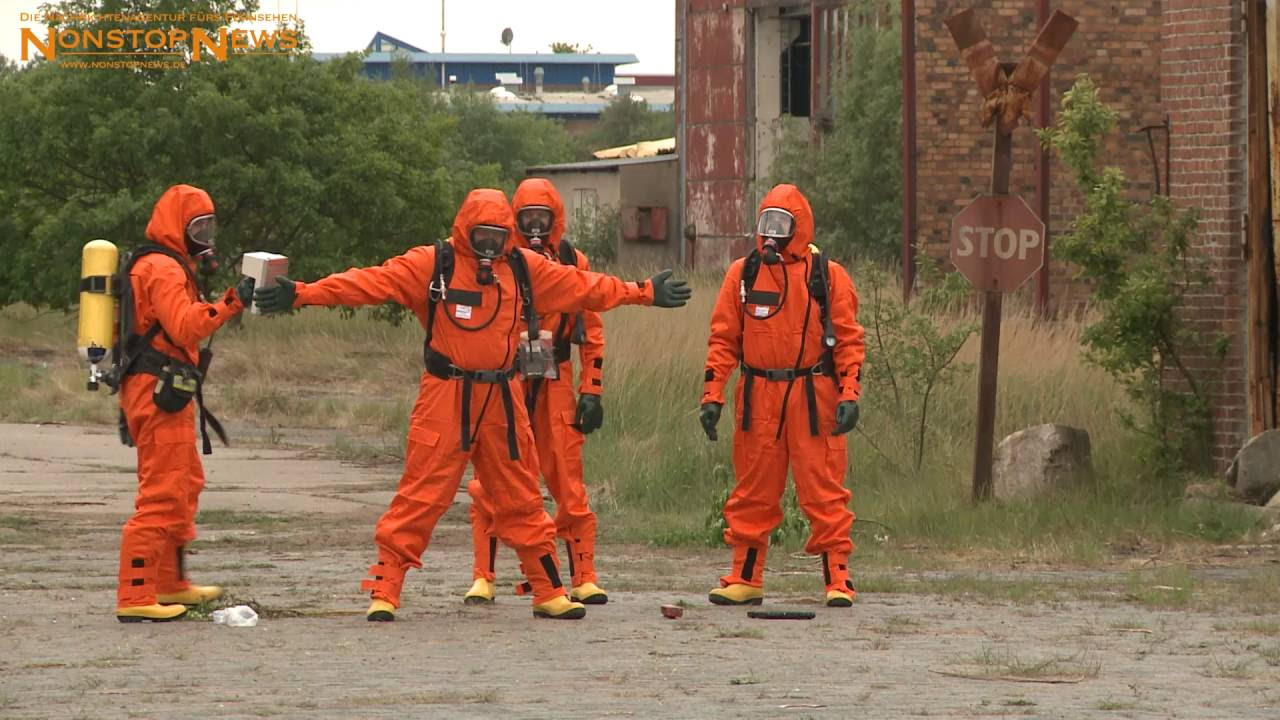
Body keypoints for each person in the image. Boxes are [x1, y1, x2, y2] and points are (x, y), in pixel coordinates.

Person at [253, 188, 690, 621]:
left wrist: (644, 291)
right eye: (482, 236)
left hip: (502, 396)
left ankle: (548, 590)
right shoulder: (434, 264)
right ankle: (385, 590)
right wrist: (302, 293)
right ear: (466, 231)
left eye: (497, 237)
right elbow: (369, 282)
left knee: (520, 494)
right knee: (421, 494)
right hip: (446, 394)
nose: (489, 247)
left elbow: (585, 288)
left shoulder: (523, 268)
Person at [698, 184, 865, 608]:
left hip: (813, 394)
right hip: (758, 395)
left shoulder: (827, 275)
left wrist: (849, 393)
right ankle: (746, 577)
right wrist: (712, 393)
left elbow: (848, 340)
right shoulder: (744, 273)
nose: (773, 234)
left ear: (800, 227)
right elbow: (722, 339)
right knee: (753, 487)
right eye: (767, 224)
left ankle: (838, 579)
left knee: (823, 487)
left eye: (782, 225)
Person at [464, 178, 609, 606]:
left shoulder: (572, 260)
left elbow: (593, 329)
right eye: (525, 218)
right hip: (508, 380)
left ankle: (584, 575)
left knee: (568, 478)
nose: (533, 227)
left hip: (557, 376)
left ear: (555, 219)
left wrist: (593, 388)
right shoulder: (498, 262)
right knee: (493, 478)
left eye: (541, 218)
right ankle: (483, 576)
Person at [115, 184, 255, 622]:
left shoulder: (168, 265)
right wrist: (231, 303)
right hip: (157, 391)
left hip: (164, 388)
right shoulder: (162, 269)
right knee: (162, 492)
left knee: (184, 484)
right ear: (177, 226)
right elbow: (186, 326)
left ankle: (169, 582)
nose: (206, 235)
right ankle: (136, 594)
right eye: (198, 226)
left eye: (210, 225)